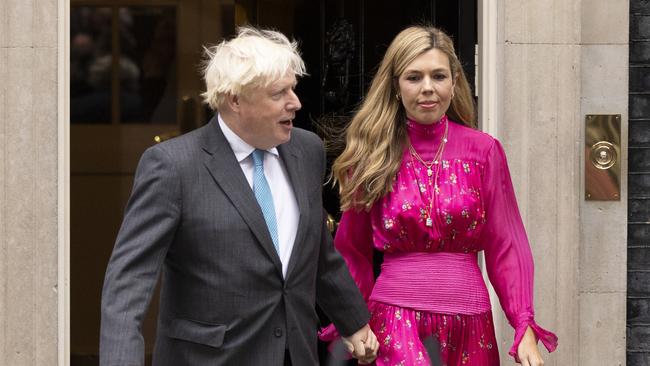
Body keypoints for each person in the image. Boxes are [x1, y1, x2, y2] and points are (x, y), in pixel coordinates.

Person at [100, 26, 378, 366]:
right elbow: (127, 286)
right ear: (235, 100)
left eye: (293, 88)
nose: (296, 102)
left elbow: (318, 252)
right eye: (279, 93)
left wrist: (355, 324)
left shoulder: (307, 150)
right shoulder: (172, 167)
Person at [320, 25, 558, 366]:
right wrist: (353, 321)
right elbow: (351, 250)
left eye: (438, 76)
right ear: (396, 86)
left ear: (454, 82)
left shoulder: (484, 151)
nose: (428, 88)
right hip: (395, 319)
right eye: (414, 77)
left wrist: (523, 323)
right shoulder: (371, 156)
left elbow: (506, 244)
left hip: (471, 323)